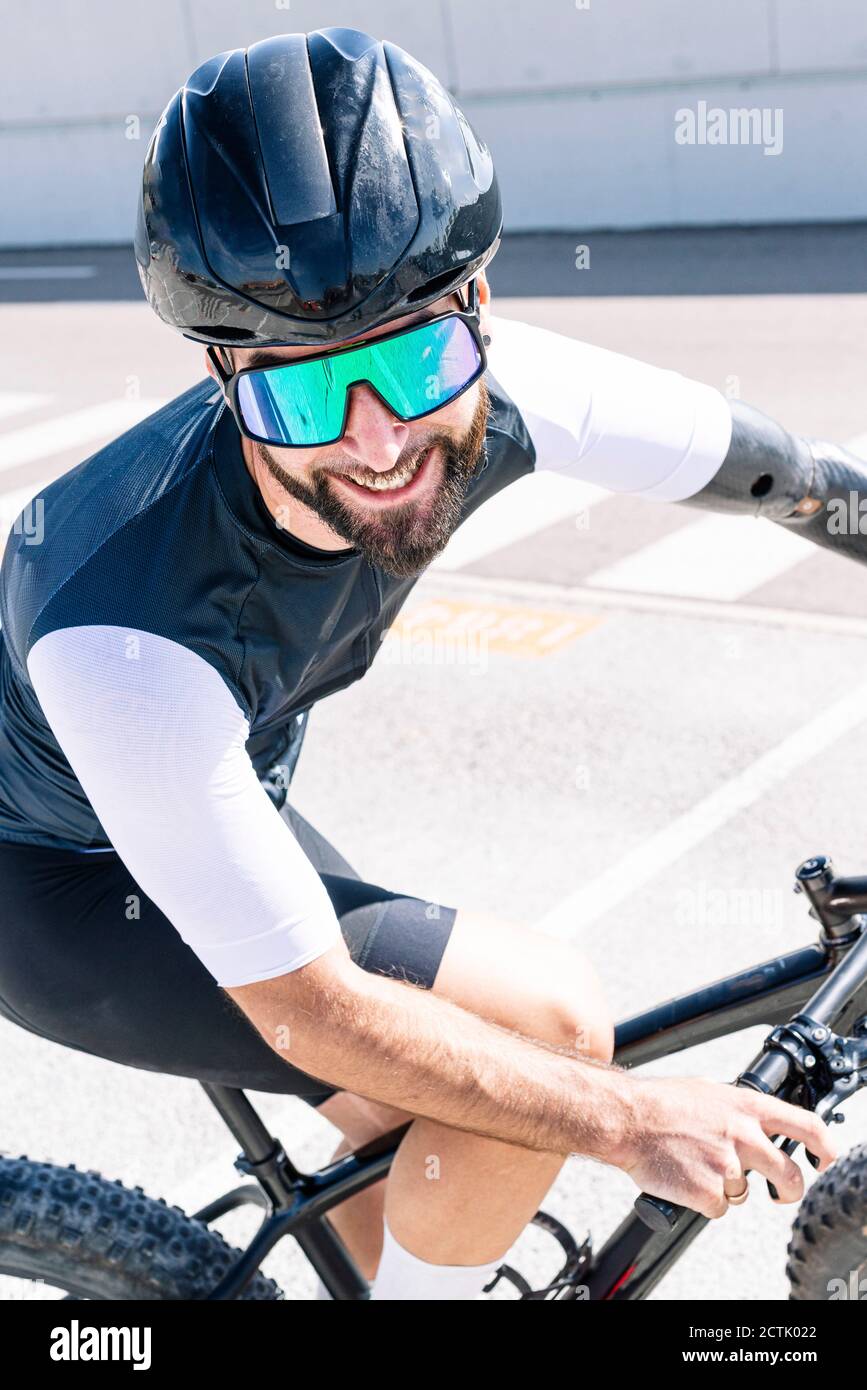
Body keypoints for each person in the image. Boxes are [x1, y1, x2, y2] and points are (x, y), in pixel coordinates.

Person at [0, 27, 853, 1301]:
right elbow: (313, 1008)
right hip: (63, 884)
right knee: (545, 1032)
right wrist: (622, 1121)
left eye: (411, 359)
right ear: (226, 377)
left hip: (211, 780)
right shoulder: (122, 632)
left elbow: (791, 481)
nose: (378, 439)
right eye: (302, 394)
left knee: (445, 1124)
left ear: (479, 319)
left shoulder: (509, 394)